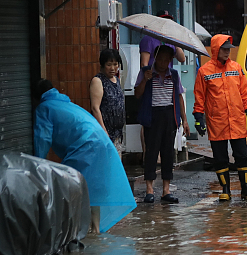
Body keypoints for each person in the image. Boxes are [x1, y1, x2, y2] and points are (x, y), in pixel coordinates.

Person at [33, 80, 136, 233]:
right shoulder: (66, 103)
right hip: (101, 142)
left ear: (37, 97)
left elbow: (43, 139)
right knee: (93, 188)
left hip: (85, 146)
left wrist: (37, 164)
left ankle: (71, 231)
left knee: (70, 187)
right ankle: (95, 230)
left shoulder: (44, 108)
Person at [194, 34, 247, 201]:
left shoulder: (236, 69)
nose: (227, 52)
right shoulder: (204, 72)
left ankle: (245, 189)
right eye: (224, 49)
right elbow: (199, 96)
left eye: (229, 49)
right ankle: (225, 190)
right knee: (220, 158)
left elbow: (245, 92)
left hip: (236, 120)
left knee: (243, 156)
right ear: (215, 49)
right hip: (217, 122)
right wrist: (198, 117)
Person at [135, 44, 189, 203]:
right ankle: (149, 189)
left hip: (169, 116)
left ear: (171, 60)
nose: (164, 63)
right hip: (153, 116)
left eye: (167, 60)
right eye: (161, 59)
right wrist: (145, 80)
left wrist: (184, 119)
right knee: (151, 153)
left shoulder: (173, 74)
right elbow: (138, 94)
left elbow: (179, 97)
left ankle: (166, 190)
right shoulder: (147, 72)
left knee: (168, 154)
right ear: (155, 58)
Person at [89, 49, 126, 153]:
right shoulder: (98, 81)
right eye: (109, 64)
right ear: (102, 65)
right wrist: (104, 131)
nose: (113, 68)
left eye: (115, 64)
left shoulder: (117, 80)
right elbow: (95, 108)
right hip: (105, 132)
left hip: (117, 133)